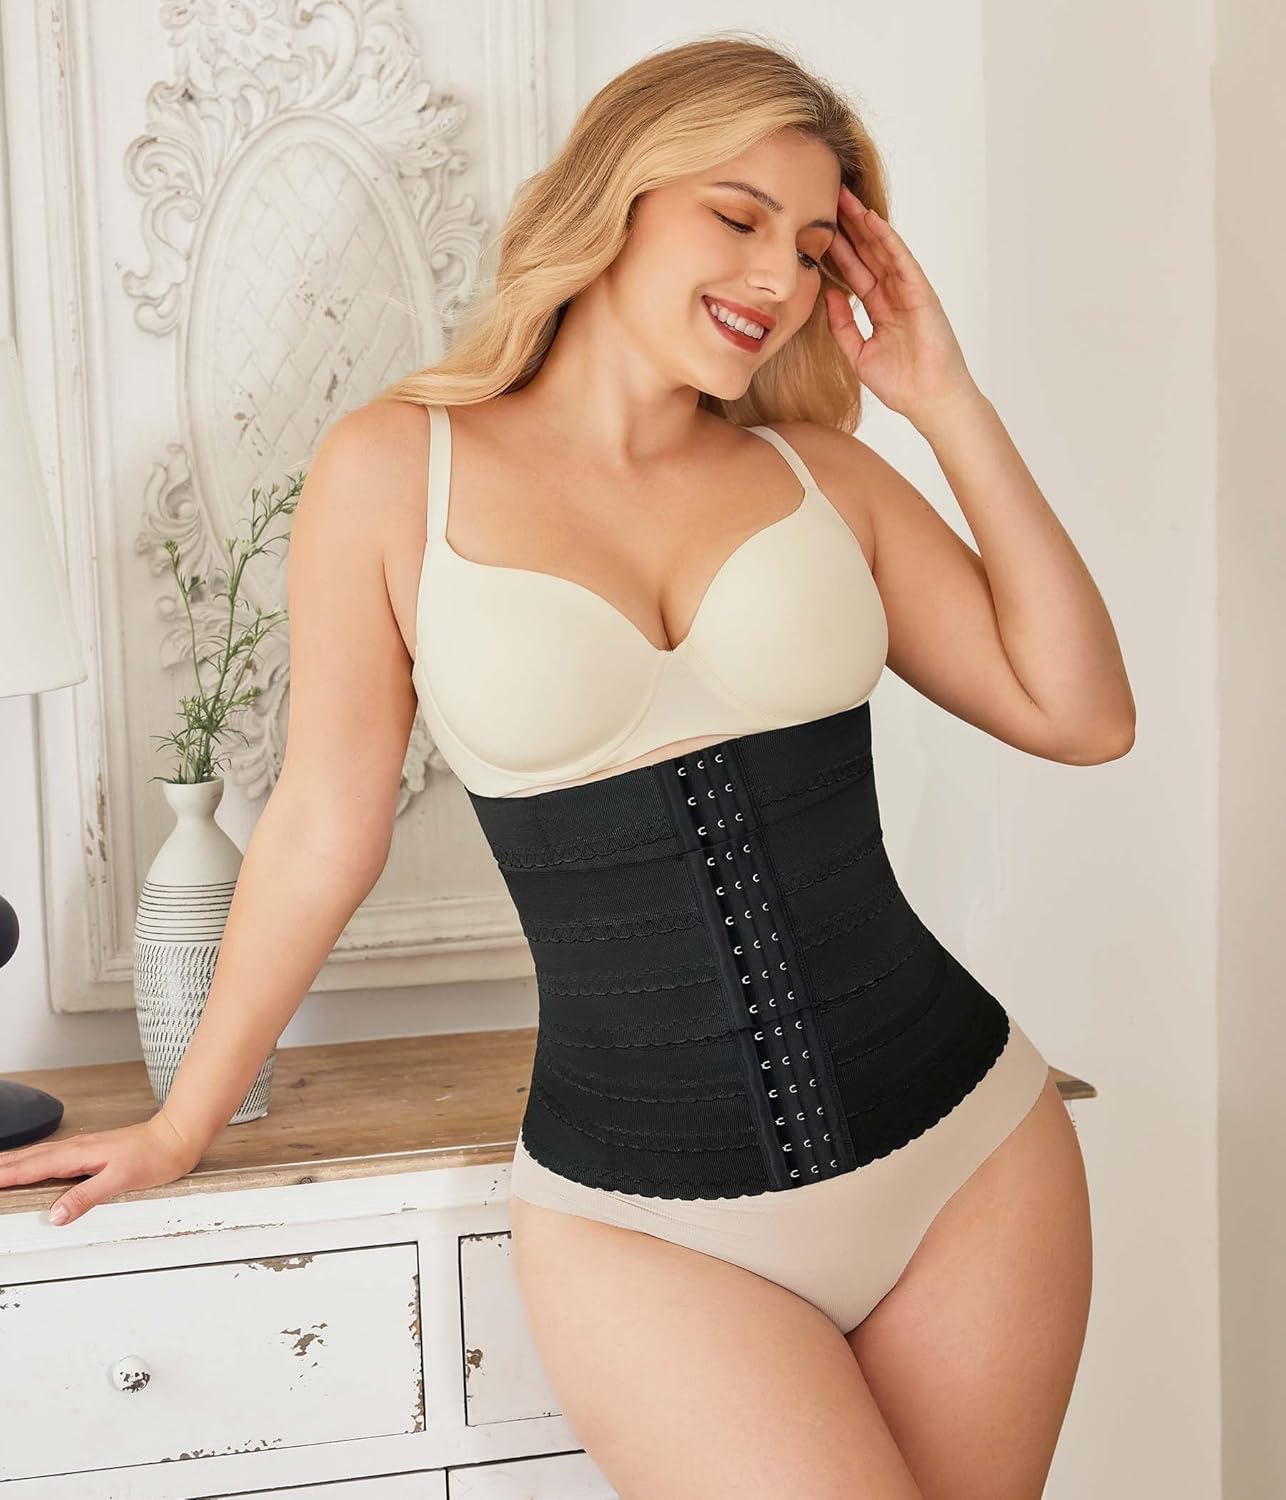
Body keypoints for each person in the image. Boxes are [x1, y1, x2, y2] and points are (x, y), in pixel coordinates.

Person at [0, 33, 1131, 1500]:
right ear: (617, 196)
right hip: (651, 1223)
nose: (776, 277)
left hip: (966, 1154)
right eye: (736, 217)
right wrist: (181, 1122)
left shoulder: (824, 479)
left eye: (809, 248)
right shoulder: (395, 470)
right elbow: (326, 824)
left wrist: (948, 401)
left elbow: (1078, 713)